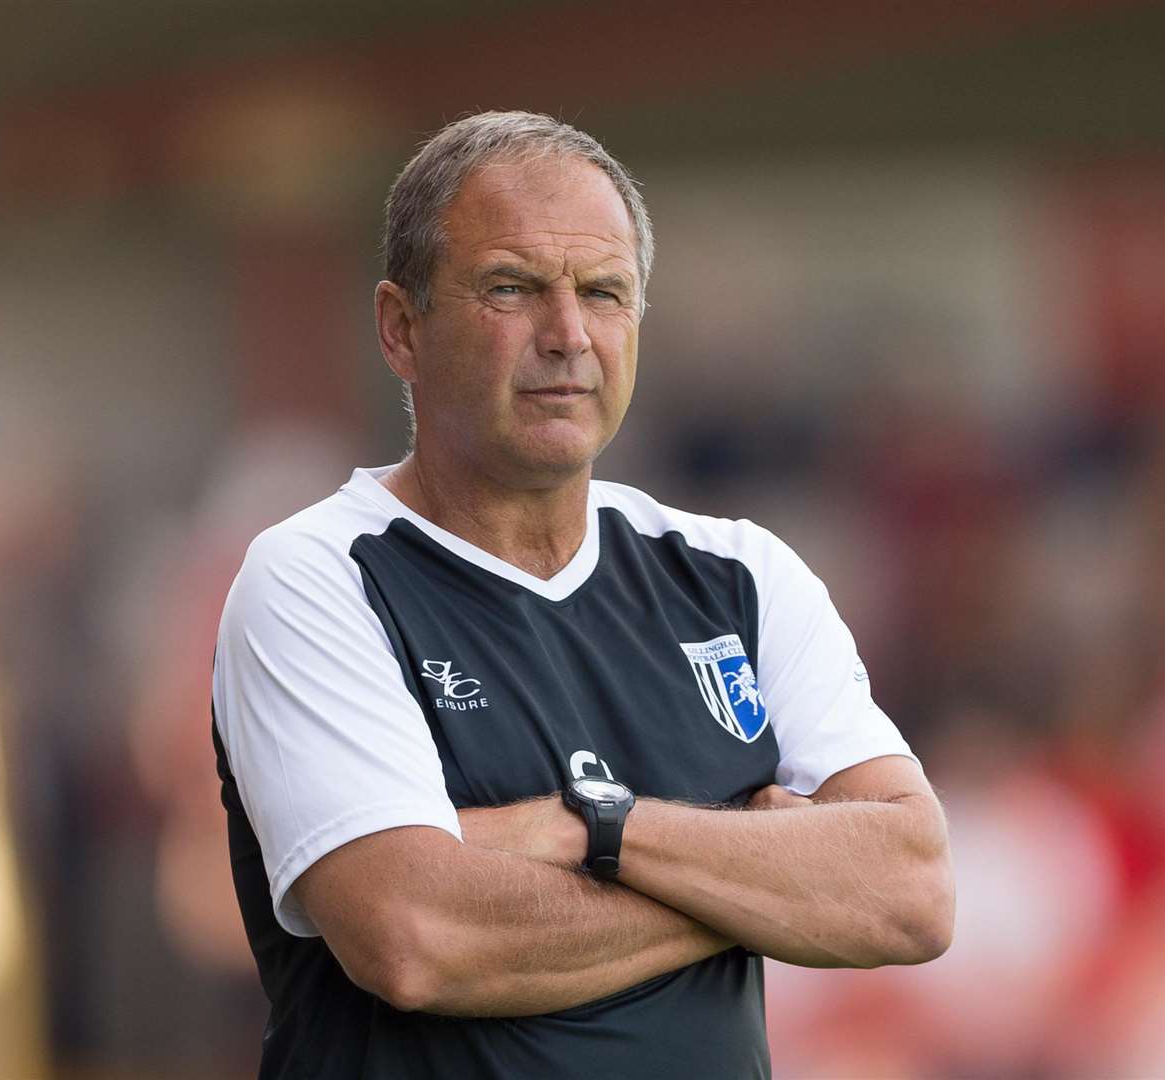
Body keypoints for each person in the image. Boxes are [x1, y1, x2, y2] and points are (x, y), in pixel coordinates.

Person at [212, 110, 954, 1079]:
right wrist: (753, 881)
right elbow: (415, 935)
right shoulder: (319, 577)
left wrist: (595, 827)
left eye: (603, 293)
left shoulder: (738, 574)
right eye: (511, 289)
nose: (567, 335)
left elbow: (912, 893)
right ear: (402, 328)